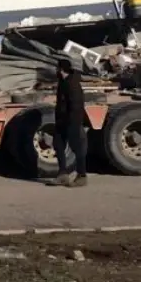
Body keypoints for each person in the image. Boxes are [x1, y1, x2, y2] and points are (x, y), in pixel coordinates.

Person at [52, 58, 88, 186]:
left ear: (61, 69)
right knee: (58, 144)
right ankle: (63, 174)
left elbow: (76, 106)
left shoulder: (72, 84)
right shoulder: (63, 82)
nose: (56, 70)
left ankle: (82, 176)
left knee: (77, 148)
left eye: (57, 68)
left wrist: (74, 124)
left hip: (72, 121)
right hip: (62, 120)